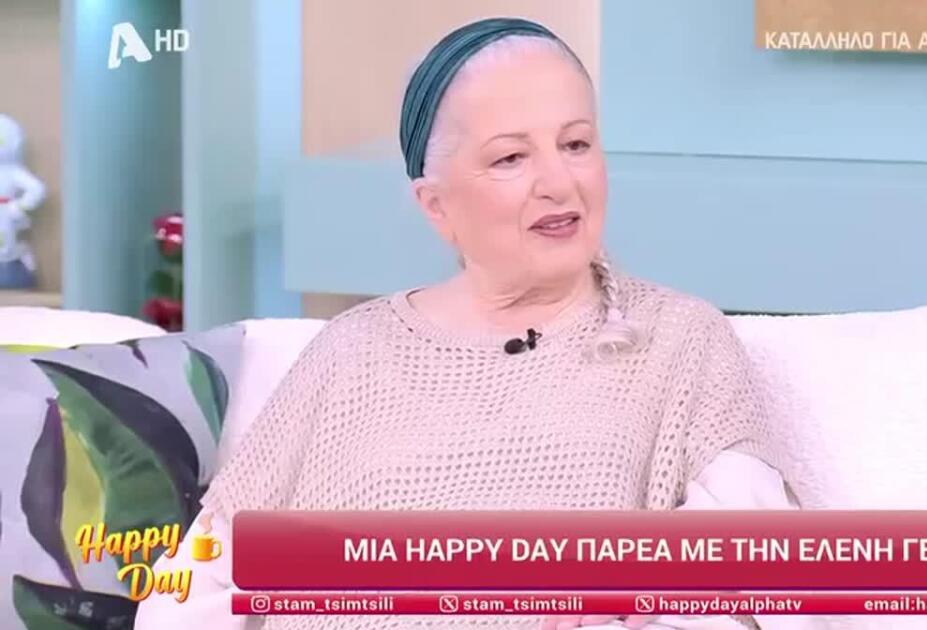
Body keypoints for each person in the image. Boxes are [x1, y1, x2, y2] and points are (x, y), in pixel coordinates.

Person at [134, 17, 799, 630]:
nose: (559, 183)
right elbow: (191, 593)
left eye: (576, 144)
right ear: (436, 205)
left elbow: (768, 593)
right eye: (511, 158)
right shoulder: (350, 351)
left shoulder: (680, 340)